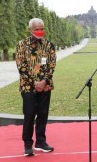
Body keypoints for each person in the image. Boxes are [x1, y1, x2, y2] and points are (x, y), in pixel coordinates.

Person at [15, 18, 57, 156]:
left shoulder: (49, 45)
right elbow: (21, 66)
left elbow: (52, 65)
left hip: (45, 86)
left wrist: (44, 81)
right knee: (29, 114)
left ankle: (41, 142)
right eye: (37, 29)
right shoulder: (22, 45)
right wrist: (34, 83)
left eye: (42, 28)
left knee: (43, 114)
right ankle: (28, 144)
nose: (40, 31)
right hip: (28, 86)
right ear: (31, 30)